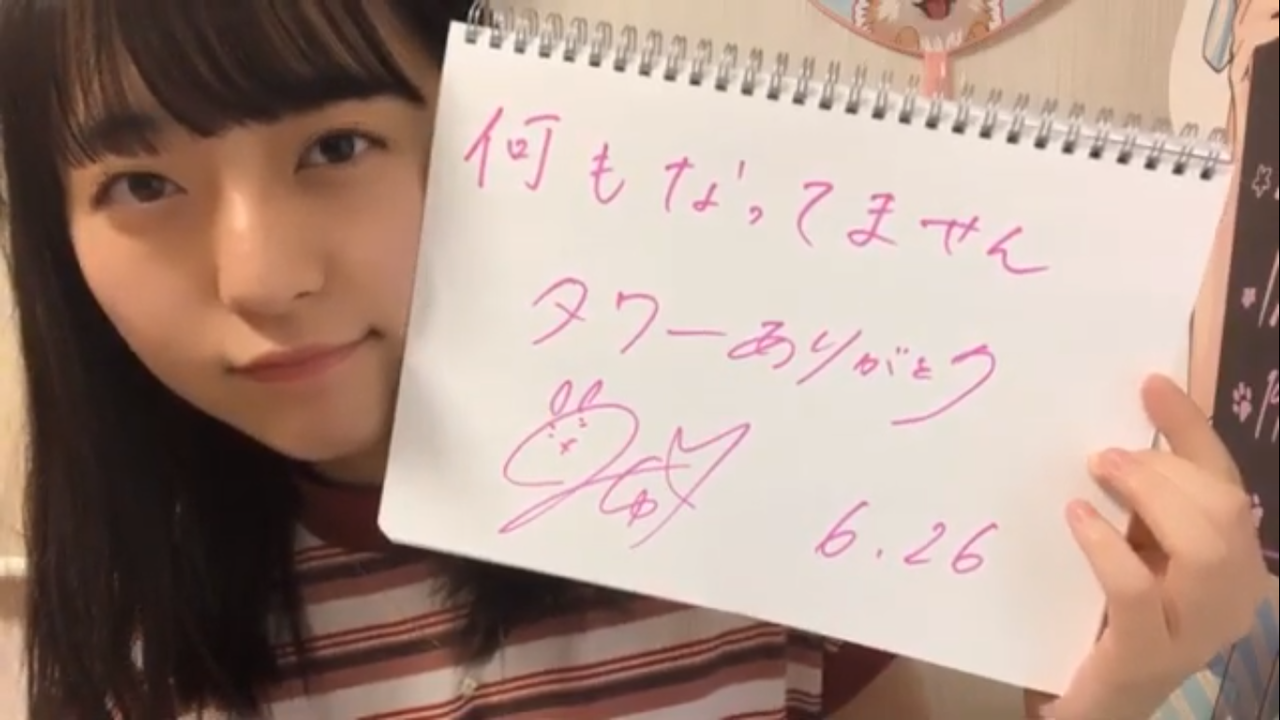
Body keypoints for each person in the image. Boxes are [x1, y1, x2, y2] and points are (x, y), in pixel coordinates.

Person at [0, 1, 1267, 717]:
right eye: (141, 183)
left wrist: (1115, 690)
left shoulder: (755, 517)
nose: (260, 275)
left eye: (335, 147)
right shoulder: (126, 646)